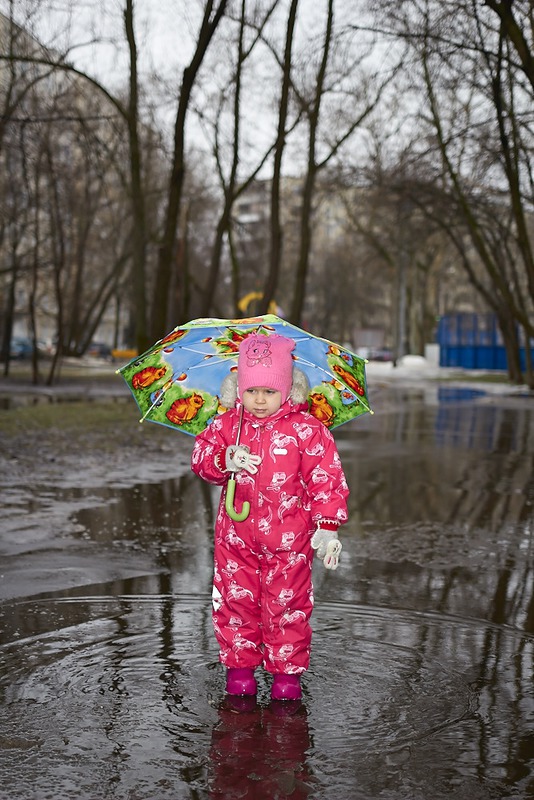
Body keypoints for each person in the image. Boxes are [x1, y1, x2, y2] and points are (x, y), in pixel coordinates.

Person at [191, 333, 349, 700]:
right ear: (238, 390)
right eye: (251, 391)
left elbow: (326, 479)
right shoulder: (228, 425)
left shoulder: (307, 431)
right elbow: (201, 457)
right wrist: (223, 460)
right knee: (236, 605)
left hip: (289, 544)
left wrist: (327, 527)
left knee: (287, 608)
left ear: (288, 391)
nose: (259, 400)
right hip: (236, 541)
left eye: (269, 391)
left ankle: (286, 679)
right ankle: (240, 672)